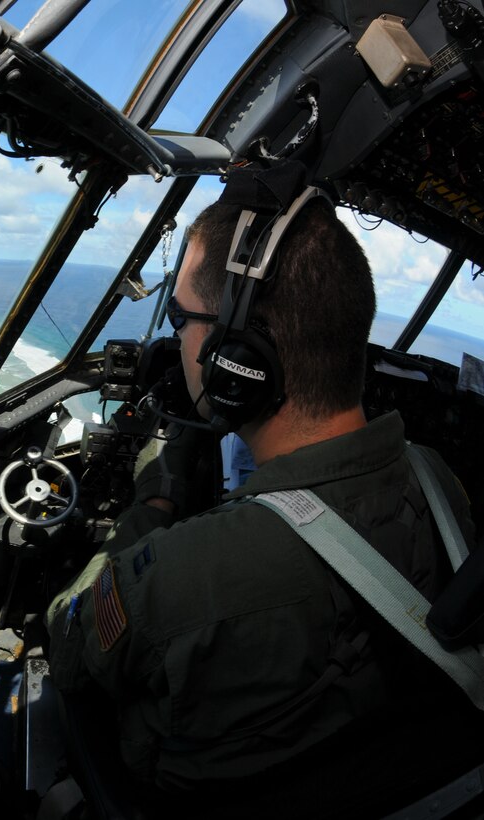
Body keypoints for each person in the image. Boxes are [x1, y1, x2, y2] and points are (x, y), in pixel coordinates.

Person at [46, 165, 479, 816]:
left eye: (181, 317)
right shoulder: (437, 480)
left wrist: (155, 499)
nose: (175, 338)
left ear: (238, 354)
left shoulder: (183, 572)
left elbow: (68, 645)